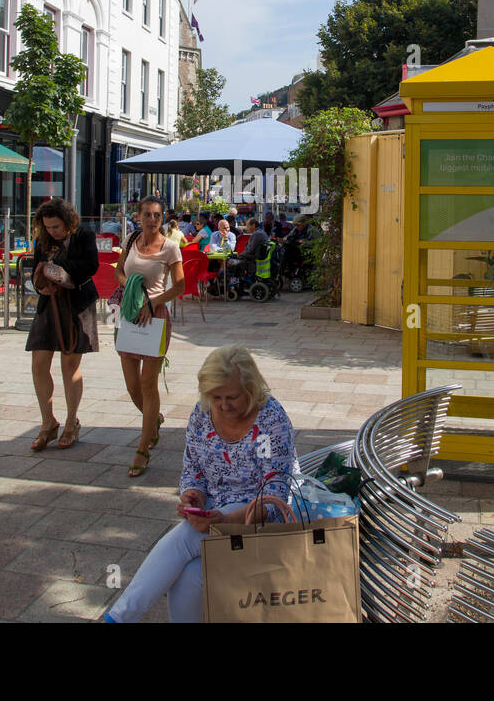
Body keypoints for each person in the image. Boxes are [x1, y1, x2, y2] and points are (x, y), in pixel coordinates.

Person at [103, 345, 297, 623]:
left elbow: (276, 496)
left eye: (232, 397)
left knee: (184, 541)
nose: (223, 405)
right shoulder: (203, 413)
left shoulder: (271, 419)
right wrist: (192, 496)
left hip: (256, 521)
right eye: (216, 396)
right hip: (213, 516)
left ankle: (119, 617)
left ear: (251, 389)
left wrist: (227, 520)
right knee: (189, 577)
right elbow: (193, 466)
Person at [115, 195, 185, 476]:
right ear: (138, 216)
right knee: (132, 385)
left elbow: (179, 286)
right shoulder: (131, 240)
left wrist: (153, 302)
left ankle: (143, 447)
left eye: (157, 215)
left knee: (147, 383)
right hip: (130, 314)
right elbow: (120, 271)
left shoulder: (170, 248)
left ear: (162, 217)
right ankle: (153, 419)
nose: (152, 220)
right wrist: (129, 284)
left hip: (155, 317)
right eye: (147, 215)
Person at [25, 198, 100, 451]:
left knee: (69, 364)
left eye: (56, 227)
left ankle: (71, 421)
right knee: (38, 363)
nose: (51, 232)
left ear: (69, 222)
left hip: (77, 304)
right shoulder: (42, 240)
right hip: (49, 304)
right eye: (47, 227)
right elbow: (35, 265)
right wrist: (42, 279)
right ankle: (48, 422)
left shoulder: (84, 236)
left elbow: (91, 266)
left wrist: (57, 266)